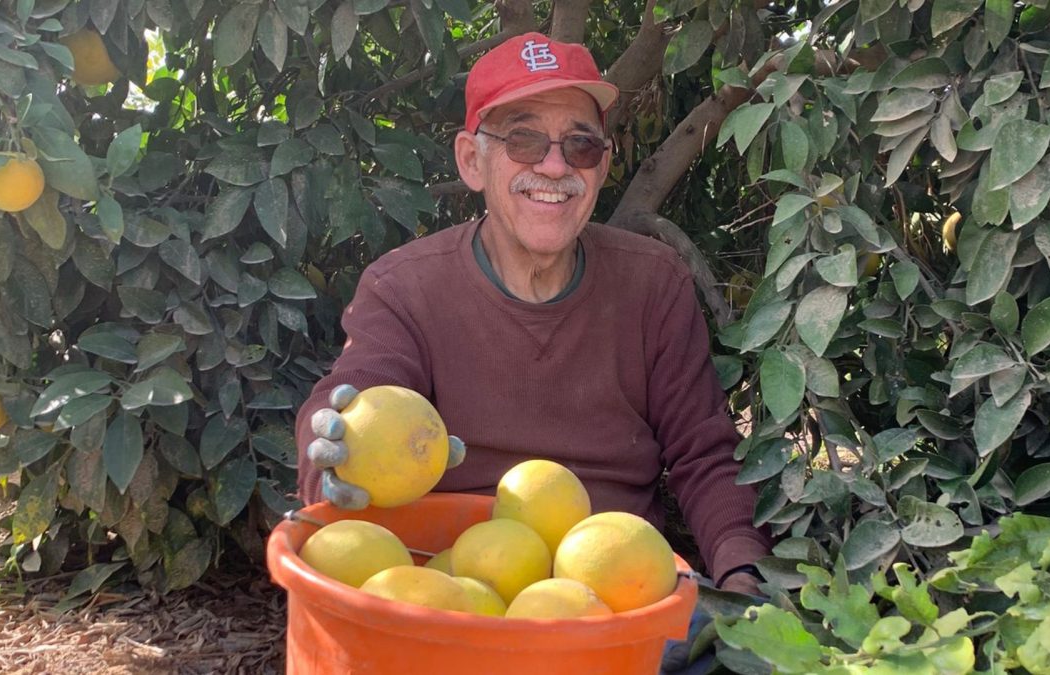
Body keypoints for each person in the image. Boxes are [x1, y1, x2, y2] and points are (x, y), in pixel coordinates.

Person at [295, 32, 769, 600]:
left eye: (581, 145)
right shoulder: (407, 287)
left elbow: (705, 451)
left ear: (603, 165)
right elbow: (352, 399)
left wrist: (743, 575)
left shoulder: (653, 283)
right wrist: (330, 452)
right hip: (451, 592)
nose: (553, 165)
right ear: (472, 161)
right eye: (523, 139)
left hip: (614, 592)